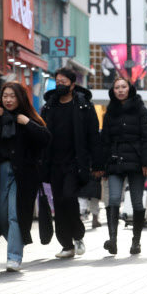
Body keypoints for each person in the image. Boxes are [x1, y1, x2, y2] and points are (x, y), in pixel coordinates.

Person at [0, 82, 51, 272]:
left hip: (23, 175)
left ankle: (14, 257)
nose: (9, 100)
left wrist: (27, 123)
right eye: (5, 96)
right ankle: (16, 244)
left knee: (15, 214)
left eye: (13, 96)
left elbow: (45, 138)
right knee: (2, 216)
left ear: (20, 98)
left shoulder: (27, 118)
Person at [41, 68, 104, 259]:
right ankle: (66, 245)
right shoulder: (49, 107)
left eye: (64, 82)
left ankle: (77, 235)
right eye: (57, 81)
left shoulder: (84, 106)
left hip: (76, 163)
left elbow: (94, 136)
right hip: (53, 163)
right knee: (58, 203)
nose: (60, 85)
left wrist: (98, 164)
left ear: (72, 84)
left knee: (69, 198)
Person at [101, 77, 147, 255]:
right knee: (113, 199)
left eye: (123, 86)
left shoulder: (140, 109)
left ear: (129, 89)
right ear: (113, 90)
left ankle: (136, 241)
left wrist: (146, 162)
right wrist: (104, 164)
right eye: (117, 87)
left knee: (137, 201)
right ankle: (113, 240)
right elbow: (105, 140)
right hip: (116, 161)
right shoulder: (110, 112)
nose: (120, 90)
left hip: (137, 162)